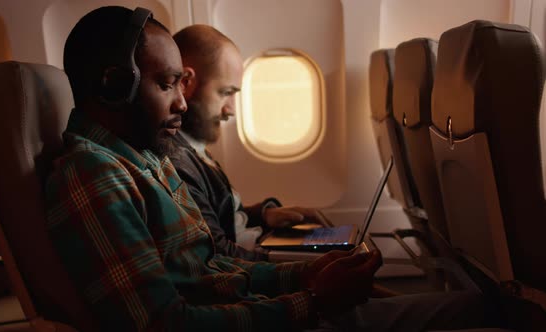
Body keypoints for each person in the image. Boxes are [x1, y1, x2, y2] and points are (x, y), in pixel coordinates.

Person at [44, 6, 497, 331]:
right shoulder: (94, 175)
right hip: (274, 317)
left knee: (474, 307)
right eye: (166, 84)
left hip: (265, 308)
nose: (181, 100)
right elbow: (164, 324)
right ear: (113, 86)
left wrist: (305, 275)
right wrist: (313, 301)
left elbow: (211, 266)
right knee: (479, 312)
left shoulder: (142, 157)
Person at [169, 25, 324, 261]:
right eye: (225, 92)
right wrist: (299, 267)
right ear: (186, 83)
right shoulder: (178, 161)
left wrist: (265, 214)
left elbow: (221, 217)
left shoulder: (197, 148)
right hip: (248, 265)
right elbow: (218, 252)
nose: (231, 109)